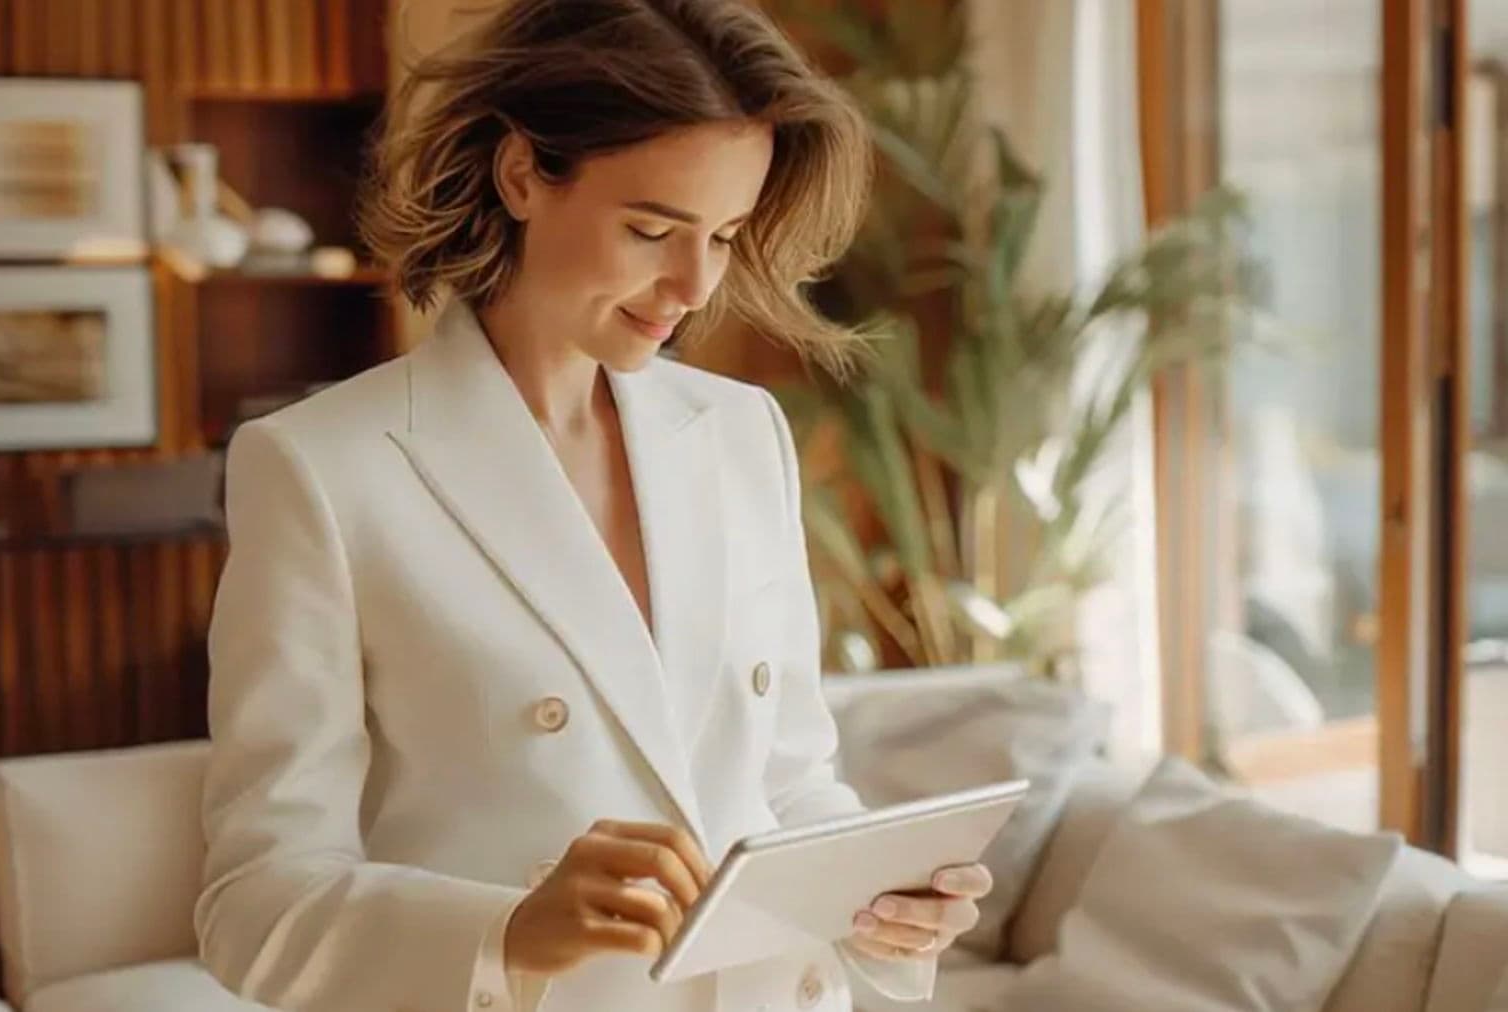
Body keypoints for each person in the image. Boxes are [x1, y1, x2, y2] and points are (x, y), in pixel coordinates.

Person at [195, 1, 993, 1010]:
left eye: (726, 234)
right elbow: (252, 903)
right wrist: (508, 932)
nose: (695, 283)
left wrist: (880, 911)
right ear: (523, 173)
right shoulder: (323, 468)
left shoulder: (742, 431)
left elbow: (789, 784)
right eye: (651, 229)